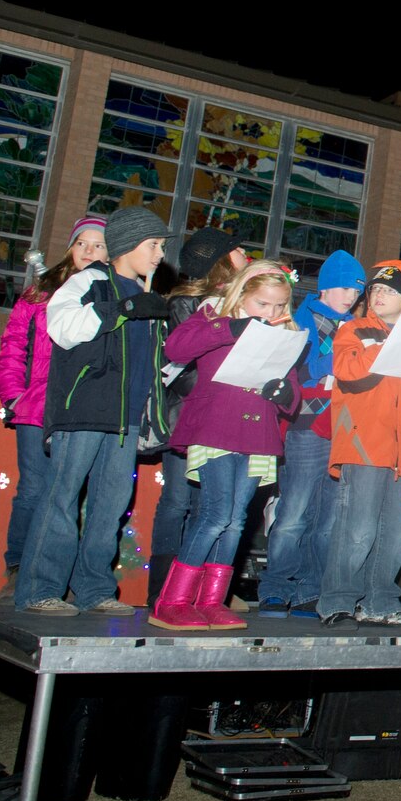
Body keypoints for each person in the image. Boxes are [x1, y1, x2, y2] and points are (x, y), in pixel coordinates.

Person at [15, 205, 172, 616]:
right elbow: (62, 328)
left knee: (110, 506)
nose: (159, 254)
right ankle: (40, 589)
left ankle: (95, 589)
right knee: (61, 497)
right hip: (83, 412)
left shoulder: (150, 297)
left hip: (126, 419)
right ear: (127, 244)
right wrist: (119, 311)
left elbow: (156, 362)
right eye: (153, 245)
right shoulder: (89, 281)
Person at [153, 260, 300, 630]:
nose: (271, 313)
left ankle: (211, 601)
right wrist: (231, 326)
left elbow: (292, 391)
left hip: (256, 434)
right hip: (215, 428)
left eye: (279, 306)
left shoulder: (284, 331)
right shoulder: (213, 316)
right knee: (216, 515)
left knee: (235, 522)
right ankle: (172, 600)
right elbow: (176, 347)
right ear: (242, 296)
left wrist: (284, 393)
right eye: (262, 304)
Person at [319, 260, 401, 627]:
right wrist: (391, 344)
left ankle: (380, 601)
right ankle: (338, 600)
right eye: (375, 289)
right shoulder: (355, 330)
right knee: (356, 528)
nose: (378, 295)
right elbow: (346, 369)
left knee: (394, 534)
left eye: (390, 291)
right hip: (364, 443)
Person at [0, 216, 106, 603]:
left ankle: (61, 574)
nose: (89, 252)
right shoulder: (40, 293)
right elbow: (12, 346)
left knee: (71, 494)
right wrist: (13, 396)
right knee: (34, 489)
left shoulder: (110, 294)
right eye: (82, 244)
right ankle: (19, 567)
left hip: (82, 409)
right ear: (70, 247)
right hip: (36, 407)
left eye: (99, 245)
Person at [254, 248, 363, 618]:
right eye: (346, 287)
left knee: (328, 519)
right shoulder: (302, 318)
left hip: (341, 426)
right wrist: (348, 359)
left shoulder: (353, 325)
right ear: (328, 286)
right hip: (305, 424)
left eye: (357, 290)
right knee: (294, 511)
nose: (351, 296)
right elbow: (301, 369)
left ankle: (310, 589)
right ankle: (274, 588)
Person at [144, 225, 249, 603]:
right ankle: (164, 587)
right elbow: (176, 366)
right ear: (223, 260)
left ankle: (206, 589)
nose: (246, 256)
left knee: (216, 507)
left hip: (225, 417)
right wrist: (217, 381)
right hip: (188, 414)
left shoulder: (243, 303)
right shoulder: (185, 304)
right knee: (178, 500)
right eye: (240, 249)